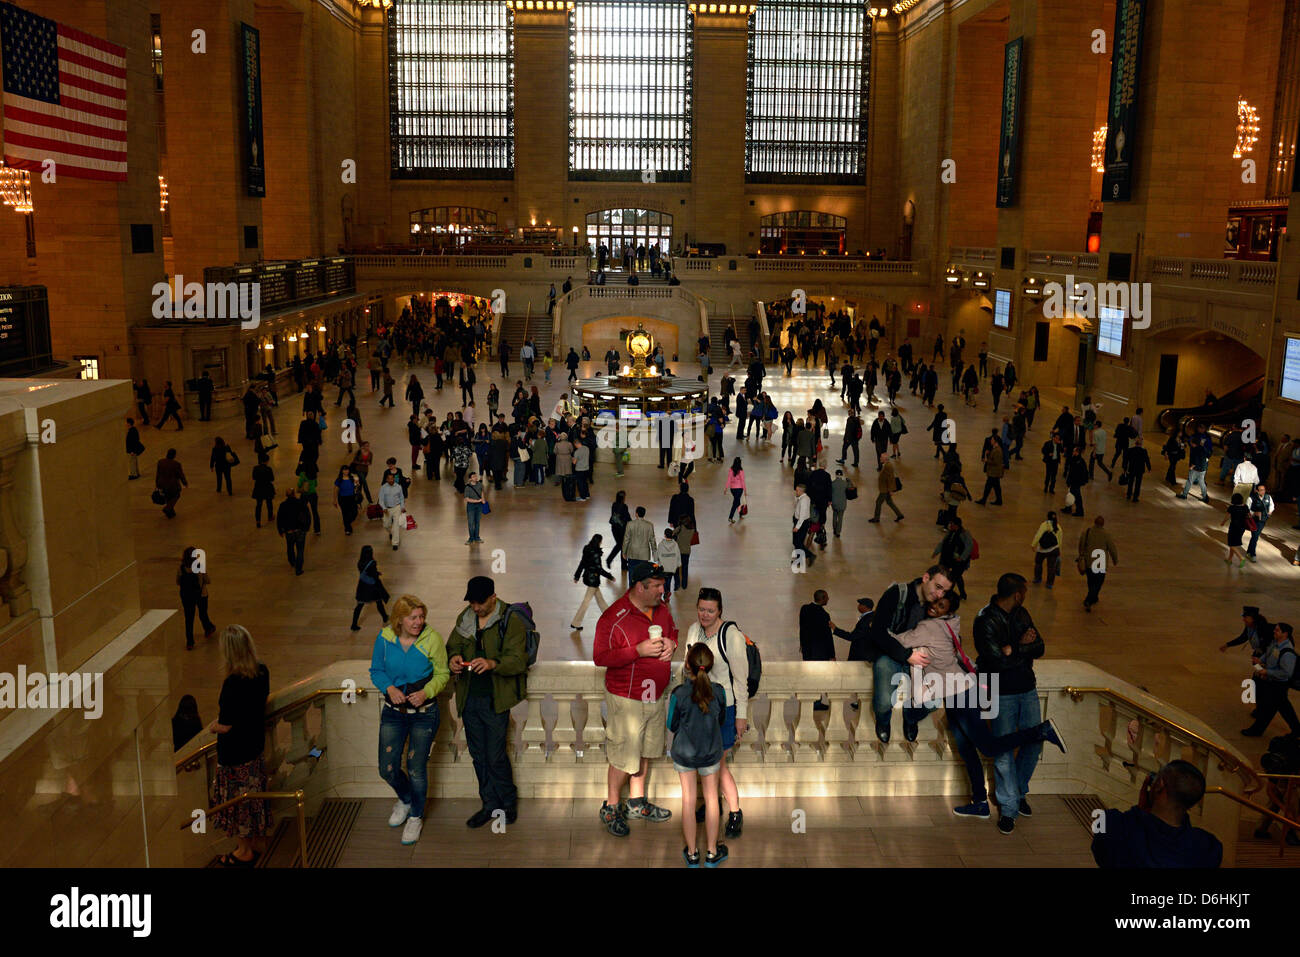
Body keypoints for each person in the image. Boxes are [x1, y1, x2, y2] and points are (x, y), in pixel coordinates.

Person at [593, 563, 678, 837]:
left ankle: (637, 803)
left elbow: (673, 631)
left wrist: (671, 644)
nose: (662, 591)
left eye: (662, 585)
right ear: (639, 586)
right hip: (626, 698)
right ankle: (611, 807)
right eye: (657, 586)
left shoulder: (662, 609)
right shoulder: (612, 617)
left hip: (655, 695)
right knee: (622, 756)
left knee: (645, 750)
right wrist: (636, 651)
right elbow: (601, 657)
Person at [446, 576, 529, 827]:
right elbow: (452, 645)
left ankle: (508, 802)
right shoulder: (466, 617)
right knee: (478, 755)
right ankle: (488, 804)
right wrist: (454, 658)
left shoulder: (509, 620)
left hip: (496, 699)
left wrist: (493, 663)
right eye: (471, 602)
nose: (475, 608)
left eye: (480, 603)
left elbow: (518, 660)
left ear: (493, 597)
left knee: (494, 756)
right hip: (469, 697)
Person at [370, 594, 450, 846]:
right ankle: (405, 800)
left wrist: (426, 692)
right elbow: (377, 670)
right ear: (399, 620)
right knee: (387, 768)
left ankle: (416, 816)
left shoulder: (432, 638)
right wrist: (388, 688)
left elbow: (443, 673)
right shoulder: (385, 638)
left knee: (416, 768)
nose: (419, 622)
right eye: (413, 617)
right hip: (393, 713)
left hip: (424, 716)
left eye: (421, 616)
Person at [973, 573, 1046, 833]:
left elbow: (1040, 646)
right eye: (1024, 592)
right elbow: (994, 661)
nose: (1025, 597)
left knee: (1034, 742)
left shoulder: (1021, 613)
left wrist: (1012, 649)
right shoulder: (985, 620)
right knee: (1003, 750)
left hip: (1027, 688)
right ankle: (1008, 808)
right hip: (1000, 692)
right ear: (1017, 594)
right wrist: (1020, 647)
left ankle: (1017, 790)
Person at [681, 588, 748, 840]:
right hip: (698, 709)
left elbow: (741, 681)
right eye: (701, 609)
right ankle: (713, 804)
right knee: (705, 762)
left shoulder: (731, 635)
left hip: (723, 709)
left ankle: (734, 811)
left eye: (710, 610)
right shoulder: (692, 629)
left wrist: (741, 716)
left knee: (717, 764)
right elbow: (686, 667)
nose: (705, 615)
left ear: (720, 610)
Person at [863, 566, 951, 742]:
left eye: (945, 591)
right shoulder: (897, 594)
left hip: (921, 658)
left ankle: (910, 718)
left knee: (933, 700)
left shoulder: (937, 604)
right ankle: (882, 720)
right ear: (926, 578)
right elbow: (878, 632)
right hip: (891, 653)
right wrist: (907, 655)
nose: (940, 594)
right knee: (884, 702)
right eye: (938, 587)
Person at [208, 625, 272, 865]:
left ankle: (243, 851)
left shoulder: (232, 684)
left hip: (234, 754)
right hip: (254, 746)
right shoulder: (262, 671)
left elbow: (226, 724)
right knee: (253, 799)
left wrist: (213, 726)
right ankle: (254, 842)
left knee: (238, 802)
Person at [1091, 761, 1224, 867]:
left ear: (1160, 785)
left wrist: (1139, 812)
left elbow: (1101, 850)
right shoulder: (1209, 848)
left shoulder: (1112, 826)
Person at [669, 643, 729, 867]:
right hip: (711, 752)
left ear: (688, 665)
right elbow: (721, 720)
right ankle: (712, 853)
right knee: (712, 799)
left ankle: (692, 854)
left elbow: (671, 724)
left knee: (688, 800)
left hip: (684, 754)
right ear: (710, 665)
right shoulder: (720, 692)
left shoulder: (679, 694)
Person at [1241, 622, 1300, 736]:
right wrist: (1260, 661)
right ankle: (1297, 729)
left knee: (1268, 708)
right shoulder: (1275, 643)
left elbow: (1286, 673)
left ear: (1285, 634)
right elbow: (1268, 654)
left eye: (1277, 630)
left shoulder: (1287, 652)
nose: (1274, 631)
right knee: (1283, 707)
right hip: (1272, 683)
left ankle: (1256, 730)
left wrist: (1267, 671)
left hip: (1278, 685)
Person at [799, 590, 836, 711]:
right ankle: (816, 702)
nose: (829, 599)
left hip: (807, 649)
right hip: (820, 652)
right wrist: (832, 654)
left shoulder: (804, 609)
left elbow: (802, 628)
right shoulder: (824, 615)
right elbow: (827, 637)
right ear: (823, 598)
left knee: (809, 675)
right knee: (818, 676)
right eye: (827, 597)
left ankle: (810, 699)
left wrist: (802, 645)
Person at [177, 546, 217, 650]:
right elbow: (207, 580)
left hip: (186, 596)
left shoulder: (181, 567)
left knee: (189, 619)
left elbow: (178, 581)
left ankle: (190, 642)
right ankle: (208, 628)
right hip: (200, 594)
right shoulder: (199, 565)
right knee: (203, 613)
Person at [573, 534, 616, 629]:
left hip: (588, 577)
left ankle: (611, 618)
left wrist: (577, 576)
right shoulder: (596, 553)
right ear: (599, 542)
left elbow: (582, 563)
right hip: (593, 580)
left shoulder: (587, 548)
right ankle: (576, 622)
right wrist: (610, 576)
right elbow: (599, 569)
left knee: (601, 600)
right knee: (586, 602)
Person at [1078, 516, 1118, 612]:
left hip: (1089, 562)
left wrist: (1081, 556)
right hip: (1100, 563)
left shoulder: (1087, 532)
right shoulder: (1106, 534)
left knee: (1091, 581)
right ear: (1103, 524)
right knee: (1098, 583)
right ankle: (1089, 600)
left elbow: (1081, 545)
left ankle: (1093, 597)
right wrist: (1115, 560)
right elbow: (1112, 548)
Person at [932, 517, 974, 600]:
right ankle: (959, 593)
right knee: (953, 576)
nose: (950, 525)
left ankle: (950, 594)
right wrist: (936, 552)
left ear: (957, 525)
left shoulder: (964, 534)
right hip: (948, 558)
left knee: (955, 577)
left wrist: (962, 558)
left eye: (952, 524)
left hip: (958, 561)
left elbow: (969, 547)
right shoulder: (950, 532)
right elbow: (943, 543)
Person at [351, 545, 390, 631]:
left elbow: (365, 572)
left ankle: (354, 624)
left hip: (362, 586)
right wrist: (377, 575)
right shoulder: (372, 562)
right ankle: (384, 617)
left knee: (359, 605)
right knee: (379, 602)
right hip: (372, 587)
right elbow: (373, 574)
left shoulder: (360, 562)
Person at [622, 505, 657, 579]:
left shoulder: (630, 524)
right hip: (644, 555)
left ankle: (632, 589)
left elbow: (626, 539)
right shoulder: (649, 525)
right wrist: (655, 553)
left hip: (632, 553)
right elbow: (652, 540)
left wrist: (624, 552)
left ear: (636, 514)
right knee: (642, 575)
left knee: (631, 573)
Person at [1030, 510, 1062, 588]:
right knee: (1051, 567)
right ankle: (1050, 583)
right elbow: (1059, 541)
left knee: (1038, 563)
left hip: (1042, 549)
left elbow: (1038, 535)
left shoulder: (1044, 525)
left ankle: (1037, 578)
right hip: (1054, 549)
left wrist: (1033, 544)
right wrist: (1058, 551)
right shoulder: (1058, 527)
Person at [869, 451, 904, 522]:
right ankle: (899, 515)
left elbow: (890, 479)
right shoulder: (886, 465)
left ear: (885, 459)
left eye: (881, 457)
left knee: (878, 502)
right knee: (889, 502)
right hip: (885, 488)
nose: (880, 458)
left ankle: (876, 518)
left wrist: (891, 490)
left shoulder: (888, 466)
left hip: (885, 489)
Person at [155, 448, 188, 519]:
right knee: (176, 495)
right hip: (172, 484)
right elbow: (180, 474)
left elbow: (158, 473)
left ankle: (171, 512)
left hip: (162, 483)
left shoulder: (160, 462)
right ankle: (168, 508)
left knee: (167, 496)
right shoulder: (176, 464)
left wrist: (157, 483)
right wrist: (184, 482)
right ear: (174, 455)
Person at [378, 470, 406, 551]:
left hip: (396, 508)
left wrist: (402, 507)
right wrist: (384, 508)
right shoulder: (383, 488)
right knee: (386, 525)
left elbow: (401, 498)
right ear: (386, 480)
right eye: (389, 479)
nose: (390, 480)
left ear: (394, 479)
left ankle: (395, 543)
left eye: (392, 479)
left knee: (396, 525)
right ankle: (391, 532)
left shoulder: (398, 487)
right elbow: (381, 499)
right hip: (387, 509)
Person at [1221, 492, 1250, 568]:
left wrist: (1223, 522)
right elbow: (1249, 516)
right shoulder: (1245, 507)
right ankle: (1230, 559)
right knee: (1234, 543)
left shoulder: (1232, 508)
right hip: (1242, 527)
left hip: (1234, 527)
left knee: (1231, 544)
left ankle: (1241, 558)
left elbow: (1227, 517)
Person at [1246, 483, 1274, 562]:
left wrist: (1270, 512)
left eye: (1264, 490)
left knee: (1255, 536)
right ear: (1257, 491)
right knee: (1255, 536)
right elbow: (1247, 509)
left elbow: (1272, 505)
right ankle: (1252, 554)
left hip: (1263, 520)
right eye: (1261, 490)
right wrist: (1254, 513)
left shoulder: (1268, 497)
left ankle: (1248, 551)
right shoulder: (1251, 498)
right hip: (1253, 520)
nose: (1263, 492)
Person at [333, 464, 360, 535]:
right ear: (342, 471)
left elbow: (356, 487)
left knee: (355, 512)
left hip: (351, 497)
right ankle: (347, 529)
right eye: (344, 470)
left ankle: (347, 522)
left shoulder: (352, 478)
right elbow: (336, 490)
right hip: (343, 498)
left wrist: (357, 484)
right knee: (345, 513)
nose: (346, 471)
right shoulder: (339, 480)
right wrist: (334, 500)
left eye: (347, 470)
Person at [1122, 436, 1152, 502]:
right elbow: (1147, 460)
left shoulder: (1130, 450)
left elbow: (1126, 460)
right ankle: (1135, 497)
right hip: (1140, 470)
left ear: (1135, 443)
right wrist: (1149, 468)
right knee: (1138, 483)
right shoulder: (1144, 451)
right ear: (1141, 444)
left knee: (1130, 482)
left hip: (1132, 468)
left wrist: (1124, 468)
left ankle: (1129, 495)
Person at [251, 454, 275, 528]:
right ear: (267, 461)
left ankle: (258, 521)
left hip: (258, 488)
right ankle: (270, 516)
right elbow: (272, 479)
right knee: (269, 503)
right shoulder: (269, 469)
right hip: (267, 488)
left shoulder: (255, 468)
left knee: (259, 505)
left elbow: (254, 477)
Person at [658, 527, 682, 600]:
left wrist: (659, 563)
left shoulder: (661, 544)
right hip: (672, 567)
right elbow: (678, 555)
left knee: (664, 580)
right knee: (669, 580)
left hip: (664, 567)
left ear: (665, 535)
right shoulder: (675, 544)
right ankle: (667, 592)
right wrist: (678, 564)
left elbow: (658, 555)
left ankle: (666, 592)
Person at [464, 470, 486, 544]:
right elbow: (467, 499)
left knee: (477, 522)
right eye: (473, 477)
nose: (476, 478)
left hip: (479, 505)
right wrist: (477, 501)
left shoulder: (480, 484)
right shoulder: (467, 487)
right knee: (471, 522)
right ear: (470, 479)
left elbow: (482, 492)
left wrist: (483, 499)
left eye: (476, 476)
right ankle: (471, 538)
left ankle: (477, 537)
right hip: (471, 506)